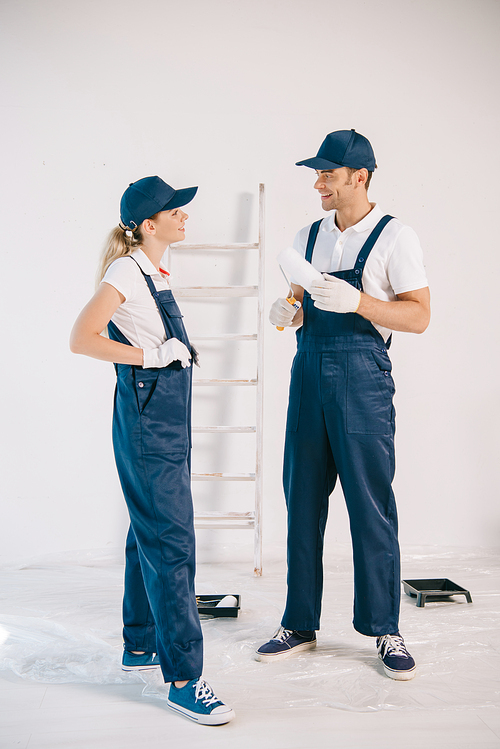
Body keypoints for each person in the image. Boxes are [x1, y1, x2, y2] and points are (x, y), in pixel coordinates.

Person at [257, 130, 430, 680]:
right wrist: (290, 312)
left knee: (369, 505)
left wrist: (361, 302)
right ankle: (299, 623)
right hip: (309, 373)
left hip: (363, 380)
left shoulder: (395, 237)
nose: (318, 184)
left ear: (360, 176)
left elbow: (419, 316)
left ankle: (385, 628)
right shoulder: (308, 235)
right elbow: (300, 300)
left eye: (327, 175)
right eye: (318, 174)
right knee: (301, 499)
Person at [70, 176, 235, 724]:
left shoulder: (156, 269)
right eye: (175, 210)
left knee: (150, 529)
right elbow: (82, 337)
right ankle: (184, 678)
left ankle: (140, 643)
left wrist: (174, 353)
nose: (184, 216)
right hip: (148, 419)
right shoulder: (125, 270)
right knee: (171, 540)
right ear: (148, 224)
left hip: (164, 417)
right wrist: (149, 354)